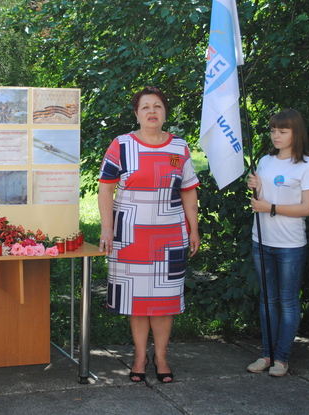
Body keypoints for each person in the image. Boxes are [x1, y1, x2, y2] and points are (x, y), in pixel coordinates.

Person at [98, 86, 200, 383]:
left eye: (157, 106)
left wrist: (194, 229)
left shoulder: (179, 147)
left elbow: (188, 191)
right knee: (137, 299)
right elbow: (105, 189)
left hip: (170, 238)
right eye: (145, 107)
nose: (152, 111)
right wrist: (107, 227)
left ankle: (162, 356)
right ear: (137, 114)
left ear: (165, 112)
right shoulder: (121, 145)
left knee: (164, 300)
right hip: (130, 237)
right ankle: (140, 356)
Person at [246, 109, 309, 377]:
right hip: (261, 240)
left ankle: (282, 358)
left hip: (290, 244)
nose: (275, 135)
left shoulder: (307, 165)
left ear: (295, 133)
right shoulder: (265, 161)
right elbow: (261, 198)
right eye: (273, 130)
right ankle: (267, 354)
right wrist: (254, 186)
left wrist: (271, 207)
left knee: (287, 302)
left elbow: (308, 208)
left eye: (282, 131)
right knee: (267, 301)